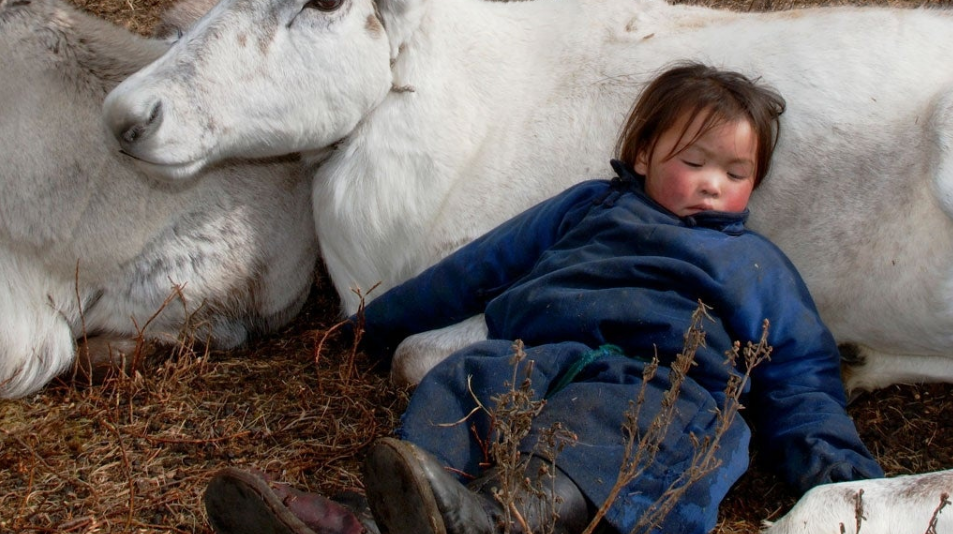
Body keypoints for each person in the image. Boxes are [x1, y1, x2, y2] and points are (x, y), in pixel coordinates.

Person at [205, 64, 882, 534]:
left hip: (660, 381)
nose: (713, 184)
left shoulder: (755, 262)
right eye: (694, 161)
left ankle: (508, 519)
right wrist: (368, 328)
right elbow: (477, 269)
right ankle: (390, 514)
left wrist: (843, 478)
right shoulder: (587, 208)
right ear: (643, 154)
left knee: (622, 423)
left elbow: (800, 375)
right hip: (535, 354)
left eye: (736, 173)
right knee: (460, 379)